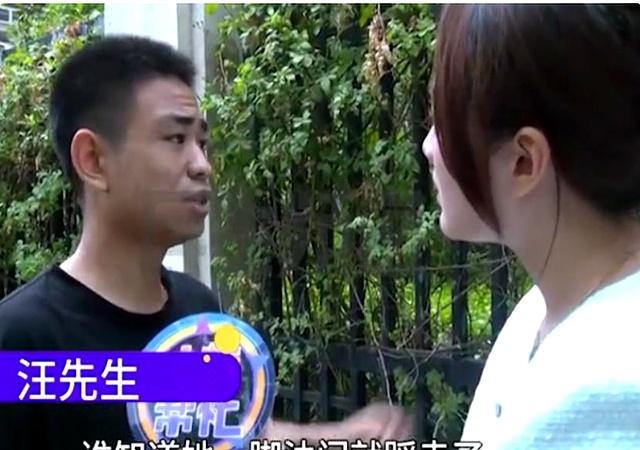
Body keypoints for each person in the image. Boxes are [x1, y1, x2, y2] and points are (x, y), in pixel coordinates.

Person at [0, 35, 411, 450]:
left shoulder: (197, 313)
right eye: (176, 139)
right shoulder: (20, 342)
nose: (202, 165)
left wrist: (344, 436)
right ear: (93, 160)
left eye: (201, 143)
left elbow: (231, 436)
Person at [423, 4, 640, 449]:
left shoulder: (611, 392)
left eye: (442, 122)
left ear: (524, 161)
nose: (428, 147)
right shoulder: (545, 309)